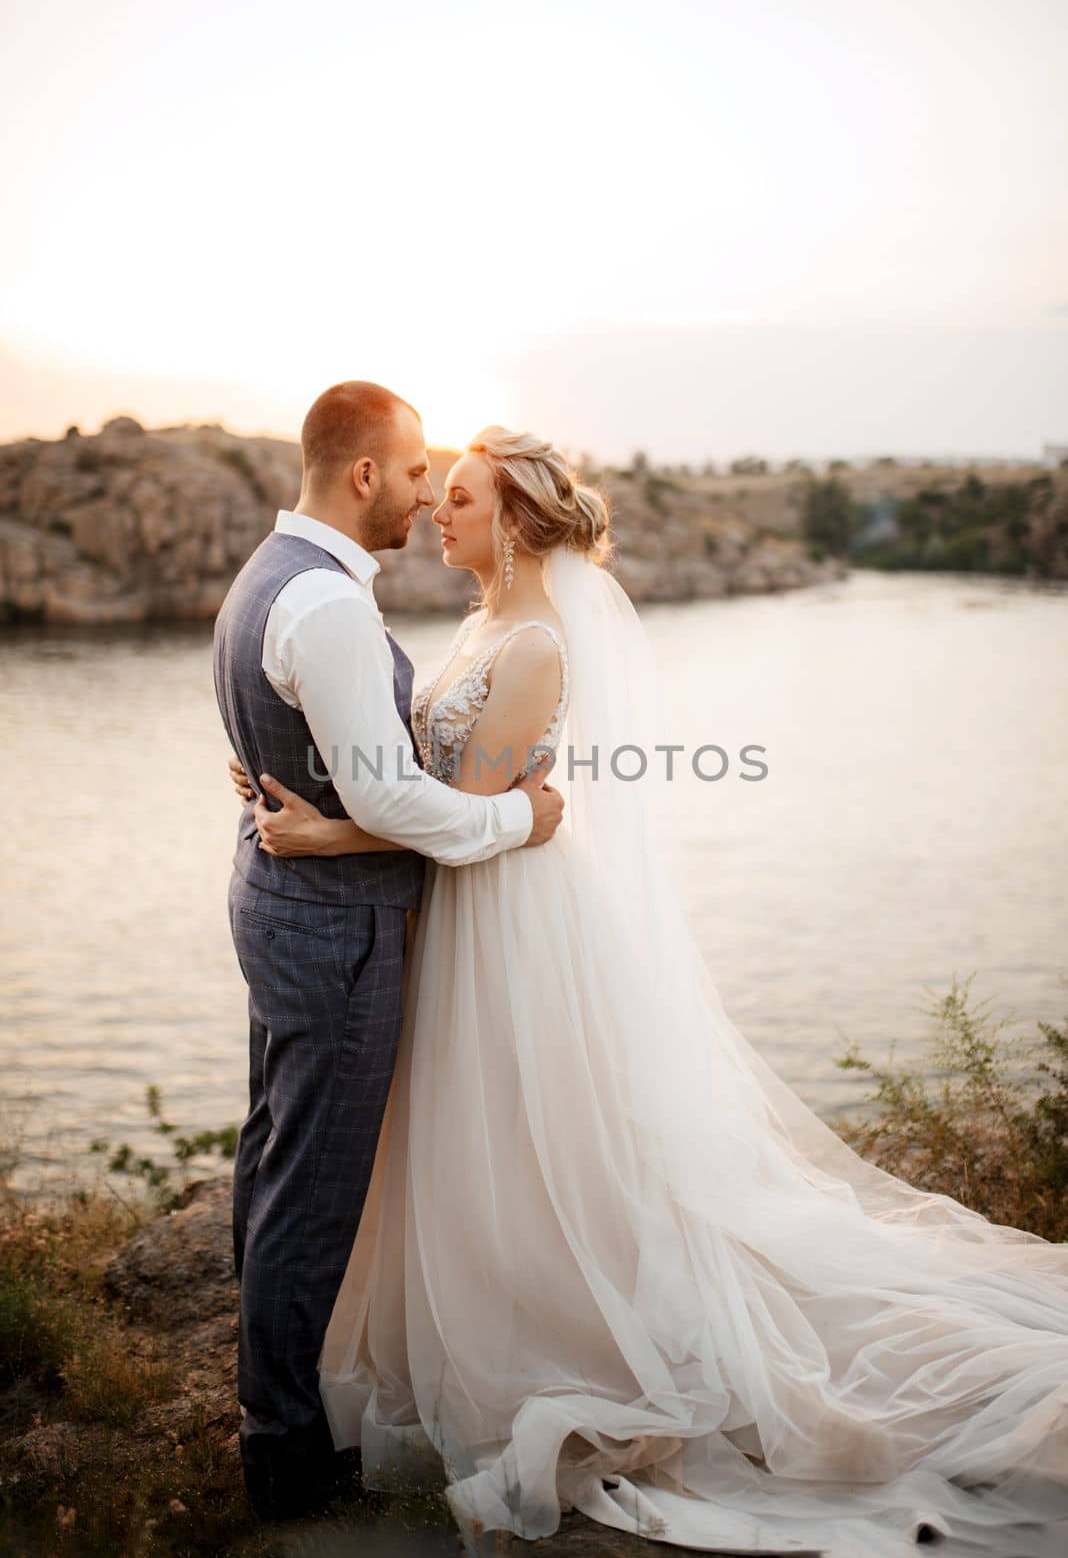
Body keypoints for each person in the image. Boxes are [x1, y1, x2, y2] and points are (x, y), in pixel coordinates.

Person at [227, 426, 1068, 1557]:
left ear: (517, 523)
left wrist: (329, 834)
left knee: (527, 1135)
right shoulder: (481, 624)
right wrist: (327, 775)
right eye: (440, 491)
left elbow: (459, 832)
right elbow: (414, 786)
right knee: (474, 1132)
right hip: (470, 895)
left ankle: (545, 1326)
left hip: (507, 907)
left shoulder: (532, 651)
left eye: (463, 497)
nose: (443, 511)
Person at [212, 383, 564, 1522]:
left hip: (287, 901)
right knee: (308, 1185)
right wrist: (519, 821)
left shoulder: (274, 580)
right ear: (364, 474)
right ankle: (283, 1449)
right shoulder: (323, 606)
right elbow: (398, 796)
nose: (423, 496)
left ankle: (276, 1405)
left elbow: (339, 762)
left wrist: (316, 812)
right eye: (417, 474)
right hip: (334, 929)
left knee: (276, 1156)